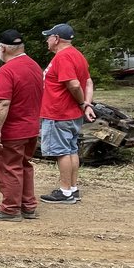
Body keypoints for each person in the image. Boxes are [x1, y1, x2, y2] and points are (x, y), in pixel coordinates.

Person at [0, 29, 44, 221]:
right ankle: (28, 205)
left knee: (9, 167)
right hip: (29, 126)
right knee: (24, 165)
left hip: (12, 130)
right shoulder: (34, 66)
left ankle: (10, 209)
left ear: (3, 48)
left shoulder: (7, 70)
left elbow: (3, 102)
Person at [38, 23, 95, 204]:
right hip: (72, 113)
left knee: (62, 152)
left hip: (59, 113)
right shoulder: (78, 55)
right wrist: (86, 105)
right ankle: (72, 188)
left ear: (56, 39)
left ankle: (64, 192)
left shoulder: (63, 57)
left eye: (49, 37)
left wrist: (81, 102)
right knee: (71, 150)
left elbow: (75, 84)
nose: (47, 40)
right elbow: (88, 82)